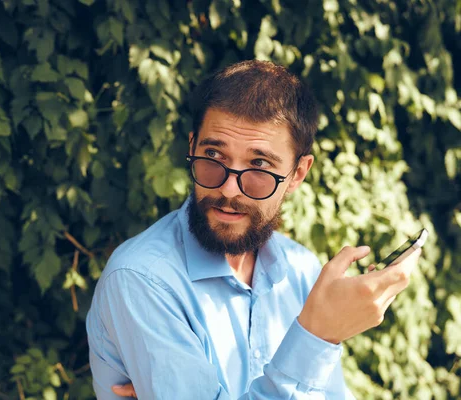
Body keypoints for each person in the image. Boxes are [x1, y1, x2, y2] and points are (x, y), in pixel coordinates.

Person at [85, 60, 420, 399]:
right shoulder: (143, 280)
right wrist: (317, 336)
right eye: (213, 154)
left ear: (298, 174)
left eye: (259, 165)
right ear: (191, 148)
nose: (229, 189)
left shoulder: (301, 269)